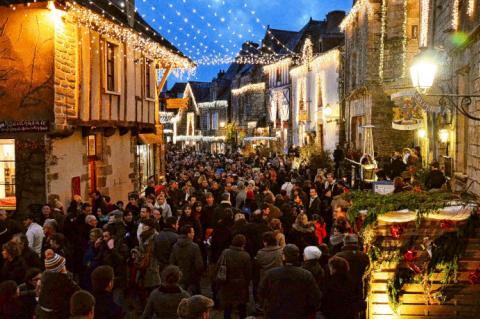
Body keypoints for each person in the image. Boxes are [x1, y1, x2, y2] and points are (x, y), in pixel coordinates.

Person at [258, 244, 322, 319]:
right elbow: (315, 296)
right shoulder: (306, 275)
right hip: (298, 313)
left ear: (284, 256)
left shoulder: (271, 274)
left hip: (275, 312)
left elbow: (261, 292)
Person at [36, 249, 80, 319]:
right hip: (58, 314)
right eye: (63, 265)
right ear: (59, 269)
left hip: (42, 313)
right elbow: (78, 292)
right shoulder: (64, 281)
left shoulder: (44, 278)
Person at [217, 234, 252, 319]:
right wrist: (247, 283)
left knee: (227, 307)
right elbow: (248, 273)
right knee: (242, 307)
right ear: (243, 244)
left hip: (227, 282)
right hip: (241, 284)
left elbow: (219, 265)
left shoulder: (225, 252)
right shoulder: (245, 256)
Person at [335, 234, 370, 317]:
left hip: (342, 290)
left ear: (344, 243)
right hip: (358, 290)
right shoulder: (364, 256)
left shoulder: (338, 256)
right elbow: (367, 272)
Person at [170, 225, 204, 294]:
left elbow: (172, 262)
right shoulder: (194, 247)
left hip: (179, 278)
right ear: (188, 234)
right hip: (192, 280)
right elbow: (199, 265)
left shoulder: (175, 246)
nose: (194, 234)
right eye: (193, 232)